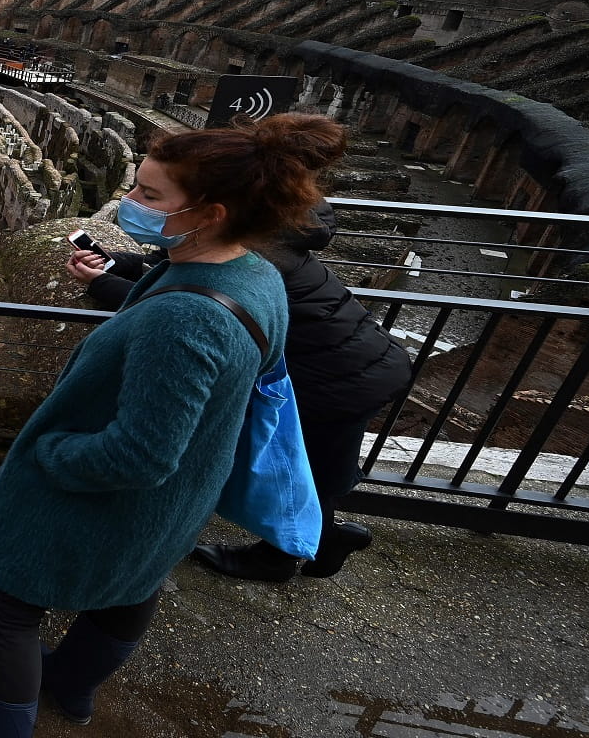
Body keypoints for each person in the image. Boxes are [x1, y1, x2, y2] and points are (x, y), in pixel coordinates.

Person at [0, 113, 346, 737]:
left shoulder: (188, 322)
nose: (128, 203)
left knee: (9, 608)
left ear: (209, 213)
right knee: (133, 584)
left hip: (100, 496)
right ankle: (72, 687)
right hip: (175, 502)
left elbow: (138, 456)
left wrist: (52, 452)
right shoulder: (256, 275)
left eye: (148, 194)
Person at [70, 199, 412, 581]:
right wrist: (115, 261)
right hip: (362, 364)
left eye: (151, 194)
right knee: (314, 467)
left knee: (291, 469)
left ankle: (278, 559)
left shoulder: (254, 260)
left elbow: (186, 307)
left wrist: (102, 284)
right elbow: (173, 266)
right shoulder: (263, 233)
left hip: (336, 378)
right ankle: (330, 540)